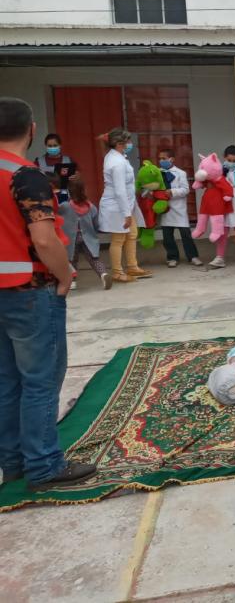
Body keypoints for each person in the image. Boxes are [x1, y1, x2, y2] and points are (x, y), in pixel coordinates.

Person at [0, 97, 97, 491]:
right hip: (30, 290)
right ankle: (44, 466)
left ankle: (15, 463)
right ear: (33, 130)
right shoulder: (26, 176)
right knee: (40, 380)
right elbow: (43, 237)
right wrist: (64, 274)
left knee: (7, 381)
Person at [99, 128, 151, 283]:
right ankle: (117, 272)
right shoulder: (116, 162)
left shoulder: (119, 157)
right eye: (128, 141)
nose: (130, 144)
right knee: (118, 239)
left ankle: (132, 266)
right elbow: (120, 190)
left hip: (126, 204)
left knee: (132, 234)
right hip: (118, 207)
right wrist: (126, 213)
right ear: (119, 144)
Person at [59, 174, 112, 291]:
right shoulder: (92, 207)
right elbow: (96, 225)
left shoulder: (64, 207)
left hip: (71, 239)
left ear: (69, 192)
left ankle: (72, 281)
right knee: (94, 259)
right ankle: (103, 274)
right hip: (88, 238)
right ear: (84, 190)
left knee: (71, 259)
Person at [157, 148, 201, 268]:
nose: (161, 161)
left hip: (179, 208)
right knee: (167, 236)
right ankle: (172, 257)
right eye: (160, 158)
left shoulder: (181, 173)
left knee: (186, 234)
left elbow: (186, 190)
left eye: (164, 158)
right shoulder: (157, 173)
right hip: (165, 209)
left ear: (171, 159)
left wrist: (172, 192)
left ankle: (193, 256)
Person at [34, 133, 76, 203]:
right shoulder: (38, 162)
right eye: (50, 146)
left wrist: (74, 177)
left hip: (66, 200)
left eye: (55, 145)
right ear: (46, 146)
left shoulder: (68, 160)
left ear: (60, 145)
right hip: (46, 200)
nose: (52, 148)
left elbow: (76, 181)